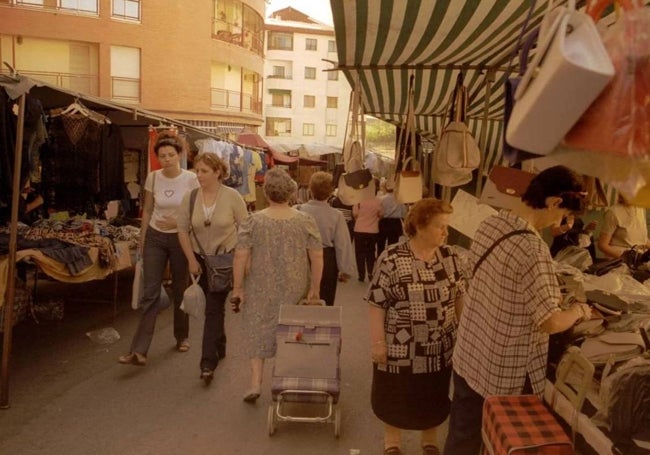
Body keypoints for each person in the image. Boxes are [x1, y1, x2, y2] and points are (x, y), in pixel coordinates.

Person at [444, 165, 593, 455]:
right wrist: (578, 311)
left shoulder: (491, 223)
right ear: (553, 203)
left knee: (461, 437)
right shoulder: (534, 250)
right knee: (496, 444)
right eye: (564, 214)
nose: (563, 221)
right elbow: (550, 321)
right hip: (503, 372)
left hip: (470, 354)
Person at [368, 198, 466, 455]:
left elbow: (459, 298)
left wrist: (465, 337)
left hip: (439, 346)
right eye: (440, 226)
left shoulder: (452, 257)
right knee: (395, 394)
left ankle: (429, 440)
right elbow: (377, 304)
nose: (446, 232)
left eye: (447, 226)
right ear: (420, 227)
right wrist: (378, 342)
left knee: (432, 393)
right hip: (400, 346)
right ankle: (393, 442)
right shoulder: (392, 258)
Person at [231, 168, 324, 402]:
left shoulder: (253, 221)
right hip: (295, 283)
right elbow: (317, 256)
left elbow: (240, 256)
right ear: (292, 193)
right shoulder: (305, 220)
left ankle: (255, 383)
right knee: (291, 330)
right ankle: (284, 379)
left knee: (257, 328)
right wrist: (315, 287)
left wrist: (238, 288)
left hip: (260, 284)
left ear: (267, 192)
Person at [118, 133, 199, 366]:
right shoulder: (153, 178)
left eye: (171, 155)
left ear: (180, 155)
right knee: (150, 292)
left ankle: (182, 335)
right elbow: (148, 209)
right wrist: (142, 238)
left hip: (180, 238)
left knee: (180, 288)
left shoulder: (190, 179)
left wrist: (178, 224)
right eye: (162, 156)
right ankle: (139, 350)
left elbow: (197, 210)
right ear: (157, 157)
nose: (166, 159)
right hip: (155, 237)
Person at [177, 152, 247, 384]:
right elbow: (182, 230)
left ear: (218, 172)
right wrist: (191, 259)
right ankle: (221, 343)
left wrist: (243, 260)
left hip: (224, 261)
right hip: (199, 260)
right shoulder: (190, 197)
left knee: (213, 308)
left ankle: (207, 363)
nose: (199, 175)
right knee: (214, 309)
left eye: (204, 171)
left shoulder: (232, 196)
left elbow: (245, 229)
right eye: (197, 171)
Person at [296, 171, 355, 306]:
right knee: (325, 299)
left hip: (302, 257)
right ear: (330, 192)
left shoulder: (299, 210)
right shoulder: (336, 215)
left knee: (301, 299)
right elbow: (342, 244)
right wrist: (345, 270)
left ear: (310, 190)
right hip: (327, 259)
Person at [353, 191, 383, 282]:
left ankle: (361, 274)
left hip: (359, 230)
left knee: (359, 253)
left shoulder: (357, 201)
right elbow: (381, 214)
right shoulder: (378, 201)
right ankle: (370, 272)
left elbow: (355, 214)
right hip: (373, 230)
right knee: (371, 252)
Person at [376, 180, 407, 257]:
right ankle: (391, 257)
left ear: (385, 188)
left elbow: (378, 212)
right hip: (395, 223)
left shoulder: (380, 199)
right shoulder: (400, 199)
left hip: (383, 222)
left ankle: (380, 258)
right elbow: (404, 212)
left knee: (381, 243)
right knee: (393, 244)